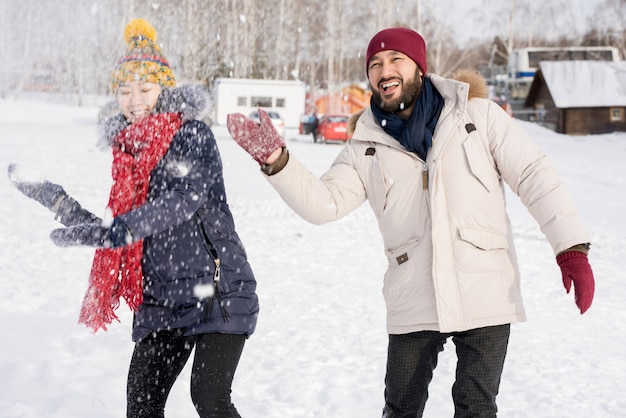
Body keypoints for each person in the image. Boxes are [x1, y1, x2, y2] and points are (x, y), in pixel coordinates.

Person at [226, 27, 595, 417]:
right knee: (400, 409)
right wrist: (277, 162)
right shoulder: (364, 146)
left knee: (476, 407)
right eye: (375, 64)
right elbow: (325, 204)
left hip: (484, 285)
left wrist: (570, 247)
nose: (385, 71)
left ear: (419, 66)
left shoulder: (477, 117)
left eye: (395, 60)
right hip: (413, 296)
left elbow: (535, 176)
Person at [9, 18, 257, 418]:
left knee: (209, 400)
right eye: (125, 90)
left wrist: (120, 231)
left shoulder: (192, 134)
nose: (134, 99)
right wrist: (57, 201)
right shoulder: (127, 155)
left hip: (218, 291)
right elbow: (116, 227)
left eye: (145, 87)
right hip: (161, 299)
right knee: (141, 407)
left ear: (164, 89)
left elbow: (183, 199)